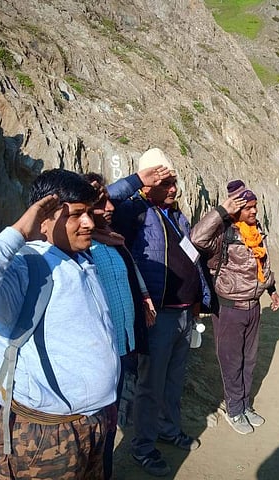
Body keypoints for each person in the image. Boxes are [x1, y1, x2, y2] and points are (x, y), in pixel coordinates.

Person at [0, 169, 120, 479]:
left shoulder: (80, 259)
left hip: (92, 423)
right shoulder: (25, 267)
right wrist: (18, 232)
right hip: (45, 434)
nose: (89, 222)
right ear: (43, 218)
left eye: (90, 212)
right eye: (77, 215)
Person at [111, 148, 210, 477]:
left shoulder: (176, 216)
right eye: (165, 183)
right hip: (157, 315)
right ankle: (143, 446)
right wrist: (137, 180)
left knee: (173, 380)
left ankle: (168, 430)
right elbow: (104, 204)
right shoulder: (133, 212)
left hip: (183, 313)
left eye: (174, 182)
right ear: (148, 183)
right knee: (150, 385)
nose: (173, 189)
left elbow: (192, 259)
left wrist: (199, 298)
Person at [82, 171, 163, 480]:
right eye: (101, 203)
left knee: (110, 421)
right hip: (98, 354)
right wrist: (138, 179)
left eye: (108, 201)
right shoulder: (80, 247)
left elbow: (128, 273)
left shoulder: (113, 240)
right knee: (94, 427)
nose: (110, 207)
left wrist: (143, 298)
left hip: (122, 347)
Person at [191, 180, 279, 435]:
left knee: (249, 361)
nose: (254, 211)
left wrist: (272, 290)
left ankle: (244, 405)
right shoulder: (223, 233)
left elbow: (263, 264)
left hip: (253, 306)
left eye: (255, 206)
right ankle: (233, 410)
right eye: (248, 207)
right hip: (230, 308)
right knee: (232, 362)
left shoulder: (256, 231)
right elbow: (196, 238)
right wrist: (222, 211)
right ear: (236, 210)